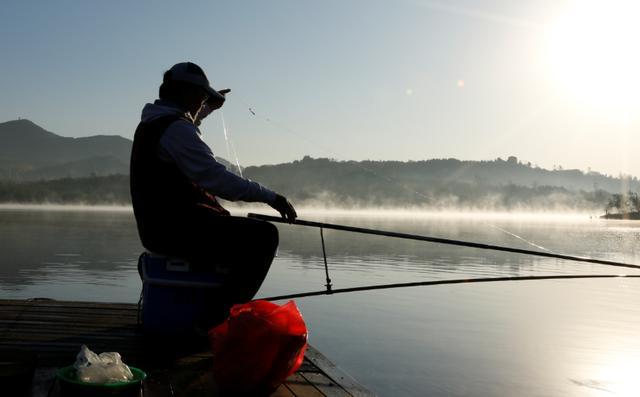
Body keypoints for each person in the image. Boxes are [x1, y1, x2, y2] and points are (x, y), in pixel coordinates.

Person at [130, 61, 296, 307]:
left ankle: (208, 308)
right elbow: (217, 180)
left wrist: (208, 107)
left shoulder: (154, 124)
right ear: (187, 93)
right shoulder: (175, 129)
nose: (201, 103)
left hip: (158, 229)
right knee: (264, 236)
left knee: (241, 234)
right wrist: (272, 197)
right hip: (174, 231)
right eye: (201, 96)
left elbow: (187, 122)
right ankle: (218, 317)